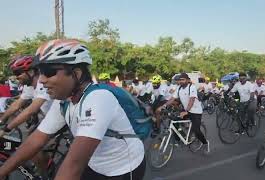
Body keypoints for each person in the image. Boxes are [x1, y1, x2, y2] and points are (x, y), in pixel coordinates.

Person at [0, 39, 146, 180]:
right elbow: (36, 140)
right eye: (40, 72)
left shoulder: (99, 98)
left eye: (49, 71)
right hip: (95, 164)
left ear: (76, 73)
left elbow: (74, 165)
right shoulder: (64, 101)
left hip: (123, 168)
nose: (42, 80)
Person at [0, 55, 53, 177]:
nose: (16, 76)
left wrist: (6, 128)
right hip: (48, 118)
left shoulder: (42, 82)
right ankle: (45, 163)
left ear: (30, 71)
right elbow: (16, 105)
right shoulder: (29, 86)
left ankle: (45, 176)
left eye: (18, 73)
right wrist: (1, 120)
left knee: (32, 146)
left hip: (60, 119)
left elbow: (31, 110)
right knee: (31, 140)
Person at [162, 73, 210, 155]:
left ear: (187, 80)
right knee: (174, 121)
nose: (181, 81)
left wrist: (186, 111)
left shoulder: (192, 87)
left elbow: (192, 99)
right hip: (187, 110)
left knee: (196, 130)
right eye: (180, 80)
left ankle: (205, 143)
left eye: (183, 79)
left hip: (196, 112)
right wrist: (164, 105)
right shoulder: (179, 88)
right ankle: (180, 139)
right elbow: (172, 98)